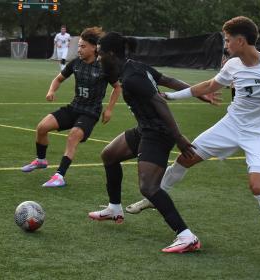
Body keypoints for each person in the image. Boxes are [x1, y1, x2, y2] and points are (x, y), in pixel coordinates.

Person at [128, 16, 260, 257]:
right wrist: (172, 97)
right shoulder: (233, 65)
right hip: (230, 126)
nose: (225, 45)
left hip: (258, 135)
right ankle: (156, 195)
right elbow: (209, 85)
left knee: (257, 186)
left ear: (240, 41)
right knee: (186, 157)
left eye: (227, 40)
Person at [88, 32, 221, 253]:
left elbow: (160, 102)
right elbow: (168, 81)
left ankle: (186, 236)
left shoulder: (132, 78)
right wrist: (198, 94)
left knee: (148, 187)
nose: (98, 58)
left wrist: (178, 137)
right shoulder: (133, 67)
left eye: (100, 54)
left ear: (111, 54)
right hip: (145, 129)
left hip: (158, 133)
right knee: (109, 155)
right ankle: (114, 209)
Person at [21, 27, 121, 188]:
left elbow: (117, 87)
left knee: (73, 136)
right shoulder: (76, 63)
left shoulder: (104, 65)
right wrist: (51, 90)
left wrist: (109, 109)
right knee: (42, 127)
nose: (79, 49)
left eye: (83, 46)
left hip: (90, 112)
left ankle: (60, 176)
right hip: (74, 107)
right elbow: (58, 79)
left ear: (94, 47)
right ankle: (41, 160)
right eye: (79, 46)